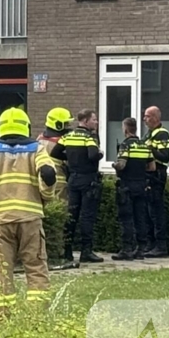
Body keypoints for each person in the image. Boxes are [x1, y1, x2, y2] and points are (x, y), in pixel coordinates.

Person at [0, 107, 57, 319]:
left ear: (1, 127)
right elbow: (48, 174)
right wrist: (46, 196)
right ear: (25, 126)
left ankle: (2, 317)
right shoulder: (37, 149)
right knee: (35, 267)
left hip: (0, 220)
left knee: (1, 270)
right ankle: (37, 317)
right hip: (30, 219)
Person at [50, 109, 104, 264]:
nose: (96, 122)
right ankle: (86, 252)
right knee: (87, 216)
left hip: (73, 179)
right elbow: (93, 155)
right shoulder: (90, 137)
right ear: (85, 121)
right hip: (88, 180)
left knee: (71, 216)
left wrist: (72, 157)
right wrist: (101, 154)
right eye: (94, 119)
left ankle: (67, 252)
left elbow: (55, 153)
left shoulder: (67, 136)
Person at [111, 117, 154, 260]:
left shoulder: (125, 145)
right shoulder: (144, 145)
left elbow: (122, 165)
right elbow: (152, 167)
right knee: (140, 217)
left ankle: (127, 249)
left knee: (126, 218)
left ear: (125, 129)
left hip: (127, 185)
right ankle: (141, 249)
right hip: (141, 185)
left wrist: (114, 165)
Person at [37, 106, 76, 268]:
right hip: (59, 186)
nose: (68, 127)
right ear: (58, 125)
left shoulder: (39, 139)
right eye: (65, 124)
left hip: (40, 185)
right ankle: (62, 252)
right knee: (62, 219)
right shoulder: (60, 143)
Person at [142, 106, 169, 257]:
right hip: (147, 175)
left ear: (155, 117)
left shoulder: (162, 134)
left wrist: (148, 149)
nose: (144, 119)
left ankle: (160, 246)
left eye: (147, 116)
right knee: (147, 211)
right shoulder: (149, 134)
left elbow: (165, 156)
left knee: (155, 211)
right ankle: (150, 244)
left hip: (157, 175)